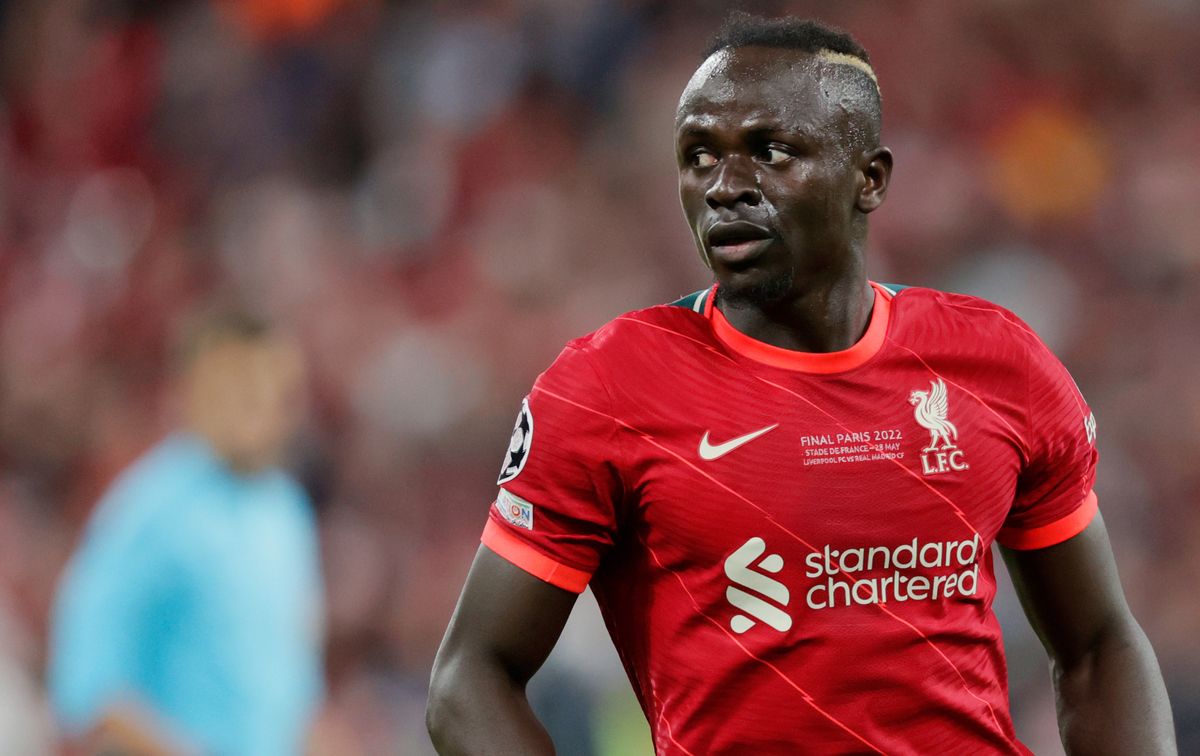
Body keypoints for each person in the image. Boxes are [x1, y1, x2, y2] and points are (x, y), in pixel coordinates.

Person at [427, 12, 1177, 755]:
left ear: (869, 179)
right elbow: (471, 678)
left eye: (770, 151)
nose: (725, 186)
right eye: (698, 156)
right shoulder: (609, 388)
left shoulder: (996, 364)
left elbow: (1099, 648)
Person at [48, 312, 324, 756]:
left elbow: (293, 692)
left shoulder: (285, 513)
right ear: (192, 391)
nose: (259, 408)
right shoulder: (145, 515)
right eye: (239, 390)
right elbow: (90, 692)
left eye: (273, 392)